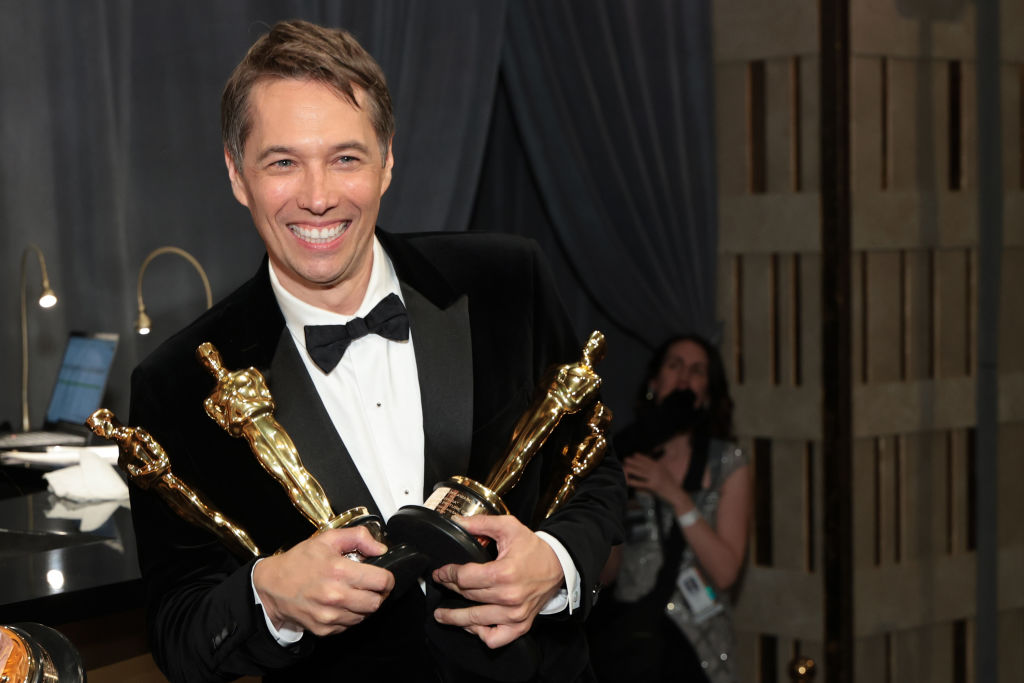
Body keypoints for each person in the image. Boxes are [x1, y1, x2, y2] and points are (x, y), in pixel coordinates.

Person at [126, 19, 625, 683]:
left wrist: (556, 563)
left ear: (388, 160)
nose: (318, 196)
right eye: (282, 162)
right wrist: (266, 594)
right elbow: (179, 633)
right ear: (236, 174)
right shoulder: (175, 384)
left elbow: (596, 474)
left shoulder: (510, 282)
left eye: (346, 157)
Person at [587, 334, 750, 683]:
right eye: (674, 365)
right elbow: (608, 573)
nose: (684, 377)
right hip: (630, 642)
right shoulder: (625, 455)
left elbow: (725, 573)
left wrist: (673, 494)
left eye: (697, 370)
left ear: (708, 393)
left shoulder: (727, 461)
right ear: (653, 383)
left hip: (700, 643)